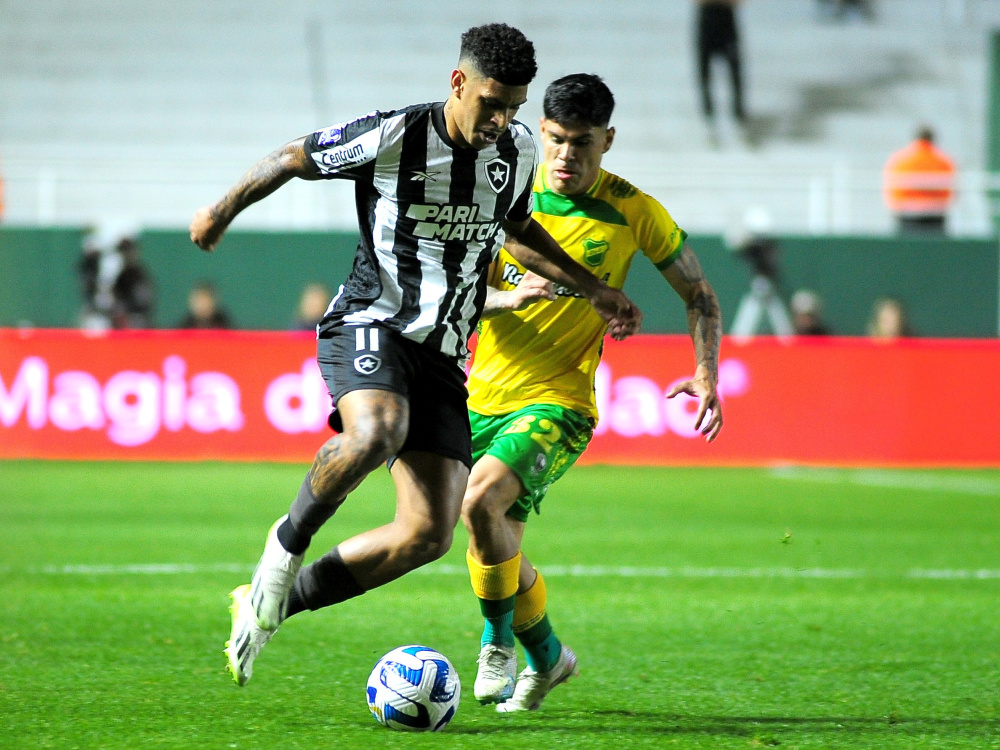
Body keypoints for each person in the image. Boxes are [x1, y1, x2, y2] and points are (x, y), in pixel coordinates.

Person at [189, 23, 641, 688]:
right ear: (458, 83)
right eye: (491, 102)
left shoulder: (514, 151)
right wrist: (219, 212)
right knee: (376, 432)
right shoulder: (397, 136)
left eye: (514, 106)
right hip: (371, 322)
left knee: (428, 534)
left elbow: (520, 231)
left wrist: (595, 287)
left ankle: (276, 602)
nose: (502, 119)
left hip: (443, 355)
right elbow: (293, 157)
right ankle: (282, 551)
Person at [459, 74, 723, 712]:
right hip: (477, 399)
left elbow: (700, 294)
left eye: (581, 143)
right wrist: (510, 297)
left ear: (607, 140)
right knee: (492, 540)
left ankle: (494, 642)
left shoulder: (633, 211)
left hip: (560, 401)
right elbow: (460, 300)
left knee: (479, 504)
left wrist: (707, 372)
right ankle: (549, 658)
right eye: (554, 139)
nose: (565, 156)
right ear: (539, 133)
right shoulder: (503, 198)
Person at [883, 126, 956, 235]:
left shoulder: (900, 159)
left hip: (906, 214)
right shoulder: (943, 160)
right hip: (935, 215)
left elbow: (892, 189)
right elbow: (949, 191)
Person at [695, 0, 746, 126]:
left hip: (726, 20)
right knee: (704, 73)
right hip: (707, 19)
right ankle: (708, 117)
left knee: (735, 72)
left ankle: (738, 115)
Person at [110, 236, 156, 329]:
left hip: (136, 321)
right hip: (124, 321)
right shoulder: (122, 275)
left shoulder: (138, 274)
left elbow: (143, 300)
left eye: (127, 251)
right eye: (123, 251)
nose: (125, 255)